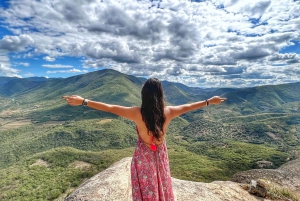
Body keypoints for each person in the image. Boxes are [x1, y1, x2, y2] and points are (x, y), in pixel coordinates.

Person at [62, 77, 226, 201]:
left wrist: (83, 101)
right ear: (160, 95)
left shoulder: (136, 113)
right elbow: (190, 106)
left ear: (143, 95)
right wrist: (209, 101)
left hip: (143, 156)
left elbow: (109, 108)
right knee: (162, 181)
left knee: (147, 186)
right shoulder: (168, 112)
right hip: (160, 154)